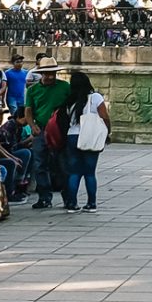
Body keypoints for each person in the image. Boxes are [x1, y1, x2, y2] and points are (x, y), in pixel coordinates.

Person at [25, 57, 71, 209]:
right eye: (47, 73)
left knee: (62, 164)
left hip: (60, 129)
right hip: (41, 129)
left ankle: (68, 197)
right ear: (42, 73)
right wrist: (32, 125)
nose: (50, 76)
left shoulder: (65, 87)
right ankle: (44, 197)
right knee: (39, 164)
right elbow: (28, 110)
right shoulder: (33, 90)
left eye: (53, 73)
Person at [62, 72, 110, 213]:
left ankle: (72, 204)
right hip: (89, 136)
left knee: (74, 172)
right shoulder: (95, 98)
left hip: (72, 136)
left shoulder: (70, 100)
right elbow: (105, 117)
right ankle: (91, 203)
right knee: (89, 173)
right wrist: (108, 133)